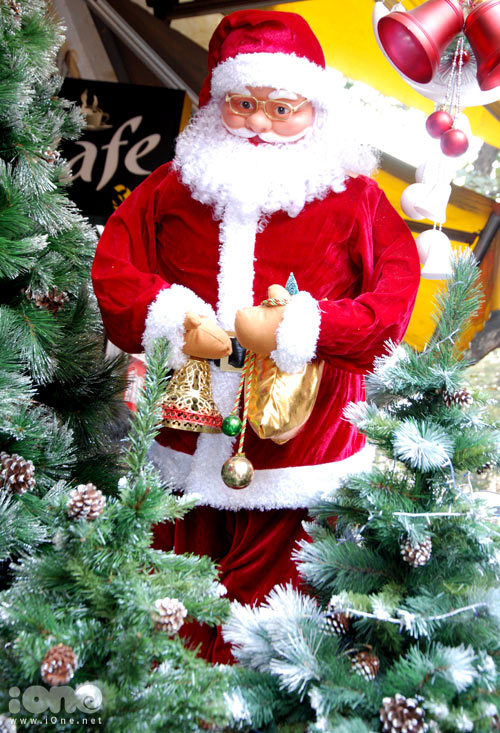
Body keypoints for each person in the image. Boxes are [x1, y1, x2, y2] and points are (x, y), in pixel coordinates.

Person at [91, 9, 421, 663]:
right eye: (243, 104)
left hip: (302, 451)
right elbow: (114, 266)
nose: (260, 123)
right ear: (218, 101)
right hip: (184, 441)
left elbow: (394, 298)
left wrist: (304, 326)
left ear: (315, 108)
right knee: (171, 610)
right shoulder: (174, 186)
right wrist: (175, 320)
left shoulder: (354, 196)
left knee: (282, 627)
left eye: (282, 108)